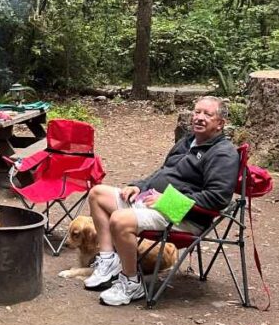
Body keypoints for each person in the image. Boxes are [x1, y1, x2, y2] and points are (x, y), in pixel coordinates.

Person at [84, 96, 239, 306]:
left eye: (207, 114)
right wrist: (138, 185)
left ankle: (131, 282)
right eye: (197, 112)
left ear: (220, 123)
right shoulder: (187, 141)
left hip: (185, 216)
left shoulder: (223, 153)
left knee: (120, 220)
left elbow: (218, 198)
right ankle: (108, 260)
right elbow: (163, 172)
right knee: (97, 194)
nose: (199, 118)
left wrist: (167, 201)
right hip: (152, 201)